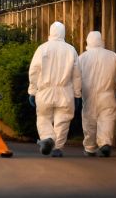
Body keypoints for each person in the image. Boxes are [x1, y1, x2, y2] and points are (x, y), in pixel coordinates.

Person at [28, 21, 81, 157]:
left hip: (45, 91)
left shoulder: (42, 48)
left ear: (50, 32)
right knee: (63, 119)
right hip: (65, 91)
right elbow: (76, 75)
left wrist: (32, 91)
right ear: (64, 33)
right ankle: (57, 147)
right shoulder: (71, 50)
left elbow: (34, 71)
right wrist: (77, 95)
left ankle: (48, 138)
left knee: (43, 117)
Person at [78, 31, 116, 157]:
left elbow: (76, 76)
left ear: (88, 41)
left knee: (89, 121)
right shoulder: (112, 56)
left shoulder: (82, 57)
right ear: (101, 40)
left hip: (88, 96)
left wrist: (76, 93)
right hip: (107, 94)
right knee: (107, 119)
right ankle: (105, 143)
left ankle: (90, 147)